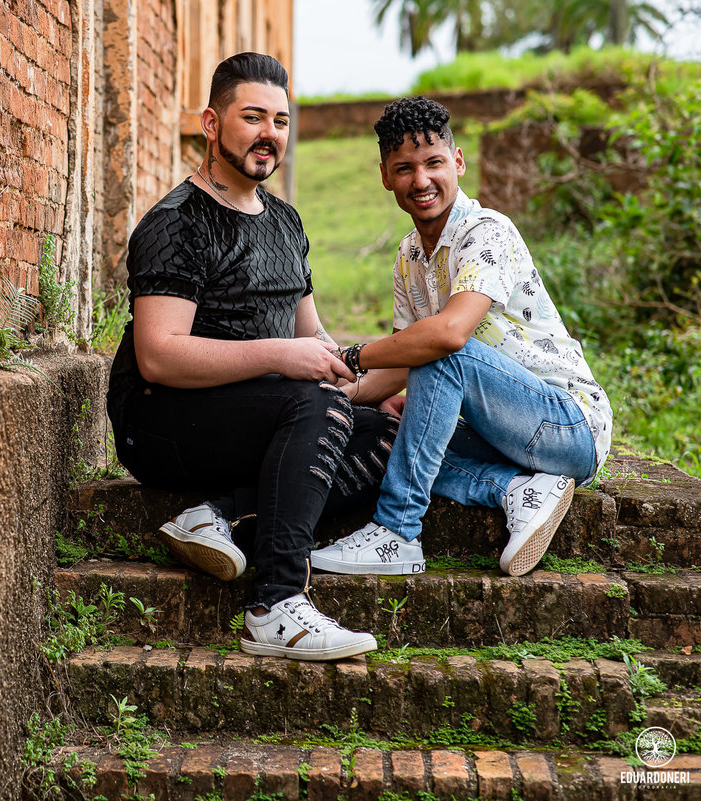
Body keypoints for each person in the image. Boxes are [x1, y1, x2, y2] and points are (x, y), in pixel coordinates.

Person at [105, 52, 401, 662]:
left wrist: (369, 377)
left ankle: (222, 517)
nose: (270, 134)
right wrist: (283, 357)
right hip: (162, 422)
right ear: (212, 125)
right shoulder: (176, 222)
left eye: (282, 121)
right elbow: (159, 356)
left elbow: (311, 338)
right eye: (254, 117)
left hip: (261, 413)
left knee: (391, 433)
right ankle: (275, 602)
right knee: (316, 406)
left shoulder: (286, 223)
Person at [309, 96, 613, 578]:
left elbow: (447, 337)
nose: (421, 180)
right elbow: (400, 365)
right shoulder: (409, 257)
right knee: (388, 427)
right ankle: (519, 491)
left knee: (442, 350)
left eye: (433, 163)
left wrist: (352, 354)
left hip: (568, 425)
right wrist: (339, 396)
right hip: (501, 435)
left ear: (458, 162)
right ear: (386, 176)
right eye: (404, 168)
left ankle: (396, 532)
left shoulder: (486, 231)